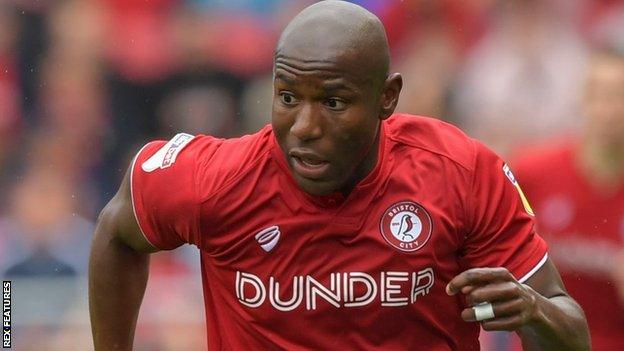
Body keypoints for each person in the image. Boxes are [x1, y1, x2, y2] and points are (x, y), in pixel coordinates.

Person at [89, 1, 590, 350]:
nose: (304, 129)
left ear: (387, 97)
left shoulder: (460, 172)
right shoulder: (214, 180)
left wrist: (535, 312)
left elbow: (569, 332)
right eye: (287, 98)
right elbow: (117, 232)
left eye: (334, 102)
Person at [512, 47, 624, 351]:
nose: (608, 110)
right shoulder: (532, 172)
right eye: (598, 94)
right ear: (581, 99)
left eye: (619, 97)